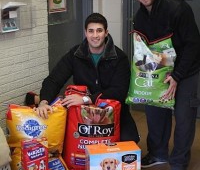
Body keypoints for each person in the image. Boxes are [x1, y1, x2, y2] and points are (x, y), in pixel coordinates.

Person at [132, 0, 200, 170]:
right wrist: (147, 77)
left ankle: (178, 165)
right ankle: (158, 153)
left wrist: (177, 76)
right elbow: (144, 52)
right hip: (161, 70)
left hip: (187, 71)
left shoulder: (178, 9)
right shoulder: (140, 17)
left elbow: (193, 45)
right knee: (154, 111)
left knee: (183, 118)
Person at [36, 12, 140, 143]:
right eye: (91, 31)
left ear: (106, 32)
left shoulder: (120, 58)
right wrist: (43, 102)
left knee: (130, 142)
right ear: (85, 33)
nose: (95, 35)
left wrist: (86, 99)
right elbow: (54, 79)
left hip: (113, 111)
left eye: (99, 31)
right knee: (63, 141)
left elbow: (119, 91)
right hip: (81, 113)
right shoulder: (75, 54)